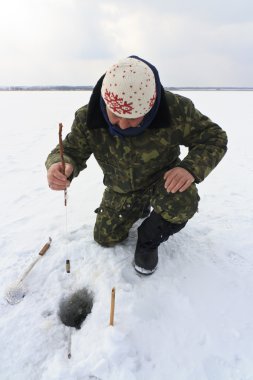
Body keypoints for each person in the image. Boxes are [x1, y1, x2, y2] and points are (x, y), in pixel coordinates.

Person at [46, 56, 228, 275]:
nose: (123, 125)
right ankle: (139, 207)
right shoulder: (88, 117)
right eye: (116, 115)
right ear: (105, 102)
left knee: (182, 201)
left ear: (150, 107)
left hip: (162, 182)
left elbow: (214, 137)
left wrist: (189, 168)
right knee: (105, 238)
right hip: (121, 189)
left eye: (133, 118)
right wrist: (60, 165)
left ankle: (148, 241)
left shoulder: (176, 109)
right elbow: (72, 150)